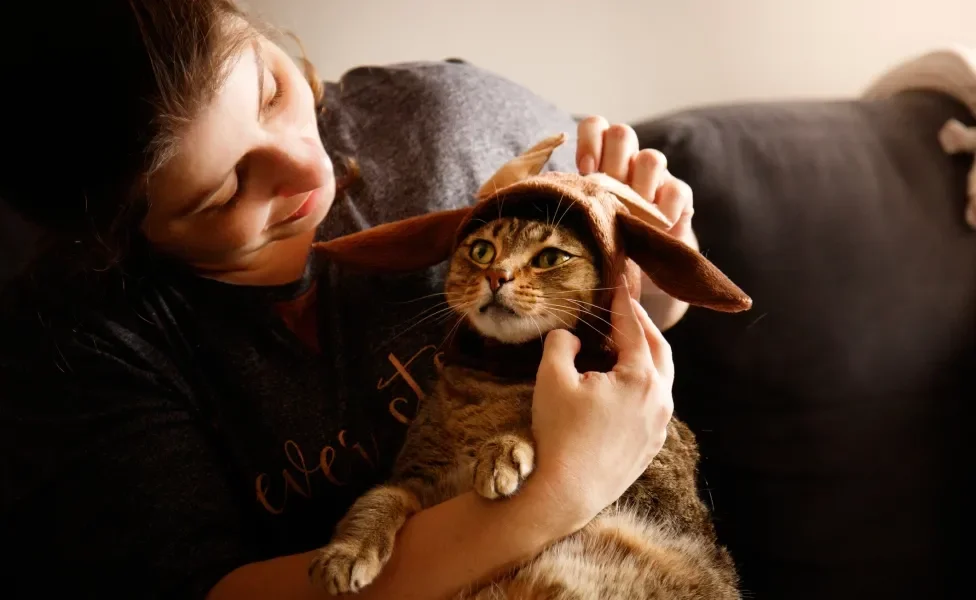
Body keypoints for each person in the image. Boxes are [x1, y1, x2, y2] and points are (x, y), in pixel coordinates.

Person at [0, 2, 699, 598]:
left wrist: (658, 281)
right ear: (121, 238)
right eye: (224, 193)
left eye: (270, 92)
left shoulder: (446, 124)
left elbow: (611, 317)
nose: (307, 165)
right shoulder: (84, 341)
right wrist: (559, 492)